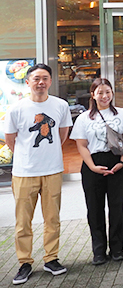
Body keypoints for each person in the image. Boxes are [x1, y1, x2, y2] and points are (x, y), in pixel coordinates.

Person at [5, 64, 72, 285]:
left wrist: (47, 153)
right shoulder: (16, 109)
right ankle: (24, 262)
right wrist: (26, 156)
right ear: (28, 82)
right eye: (36, 79)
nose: (40, 82)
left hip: (52, 170)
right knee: (23, 221)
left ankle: (51, 258)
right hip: (24, 172)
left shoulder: (60, 105)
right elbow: (10, 139)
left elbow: (62, 134)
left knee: (53, 218)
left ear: (51, 81)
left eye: (45, 78)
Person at [71, 78, 123, 266]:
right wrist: (92, 166)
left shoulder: (122, 114)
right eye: (100, 92)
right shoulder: (84, 117)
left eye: (108, 92)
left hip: (116, 164)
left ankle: (117, 248)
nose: (104, 96)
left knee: (116, 208)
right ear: (93, 95)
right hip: (93, 165)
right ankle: (99, 251)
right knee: (95, 210)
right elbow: (81, 145)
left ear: (112, 93)